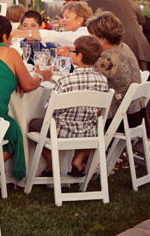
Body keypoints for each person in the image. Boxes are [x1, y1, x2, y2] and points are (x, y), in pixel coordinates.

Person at [0, 15, 52, 181]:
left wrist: (15, 80)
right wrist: (42, 77)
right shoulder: (11, 53)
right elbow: (29, 85)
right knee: (14, 131)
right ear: (5, 36)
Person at [27, 35, 108, 177]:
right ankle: (78, 159)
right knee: (94, 130)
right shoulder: (103, 80)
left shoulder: (66, 80)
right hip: (90, 132)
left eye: (72, 51)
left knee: (34, 124)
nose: (70, 54)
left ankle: (51, 166)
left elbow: (50, 109)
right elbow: (99, 111)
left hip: (62, 132)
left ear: (80, 56)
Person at [79, 0, 150, 69]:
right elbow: (141, 19)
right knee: (140, 80)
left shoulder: (90, 1)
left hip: (116, 49)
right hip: (138, 43)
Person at [89, 11, 146, 127]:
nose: (89, 39)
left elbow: (87, 80)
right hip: (135, 114)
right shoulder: (123, 47)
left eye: (92, 36)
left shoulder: (107, 58)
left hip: (120, 119)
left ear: (102, 39)